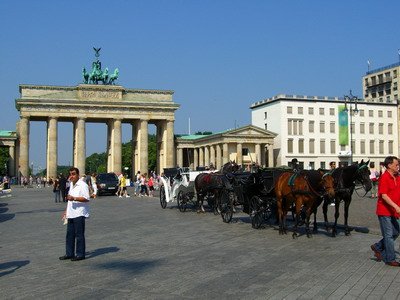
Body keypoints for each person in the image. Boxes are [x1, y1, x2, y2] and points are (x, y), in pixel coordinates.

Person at [370, 156, 400, 267]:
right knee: (388, 235)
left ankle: (377, 247)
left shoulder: (397, 177)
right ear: (389, 165)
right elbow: (384, 195)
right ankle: (390, 259)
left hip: (394, 211)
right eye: (396, 165)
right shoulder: (384, 177)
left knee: (396, 232)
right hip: (384, 211)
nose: (398, 166)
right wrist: (396, 206)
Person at [59, 167, 90, 262]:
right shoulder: (71, 185)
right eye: (70, 174)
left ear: (78, 175)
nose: (71, 176)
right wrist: (66, 211)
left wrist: (74, 198)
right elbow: (69, 200)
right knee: (69, 234)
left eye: (73, 174)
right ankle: (69, 253)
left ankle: (80, 254)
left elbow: (87, 198)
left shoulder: (82, 185)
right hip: (71, 213)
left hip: (79, 213)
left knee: (79, 235)